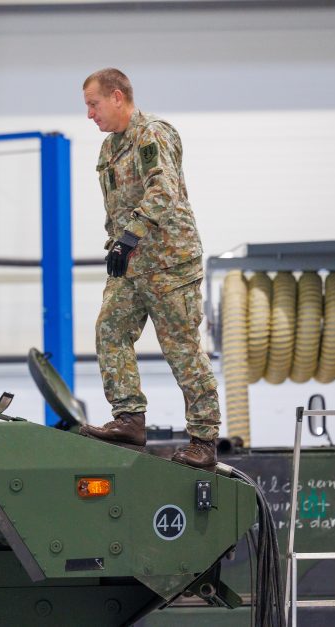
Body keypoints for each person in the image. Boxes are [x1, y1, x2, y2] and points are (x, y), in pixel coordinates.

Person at [77, 68, 221, 469]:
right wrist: (118, 243)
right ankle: (129, 419)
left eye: (94, 104)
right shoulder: (109, 149)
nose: (90, 114)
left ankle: (204, 440)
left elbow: (164, 191)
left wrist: (131, 236)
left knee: (181, 350)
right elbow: (116, 209)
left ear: (117, 97)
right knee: (110, 328)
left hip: (170, 263)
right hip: (132, 263)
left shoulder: (154, 134)